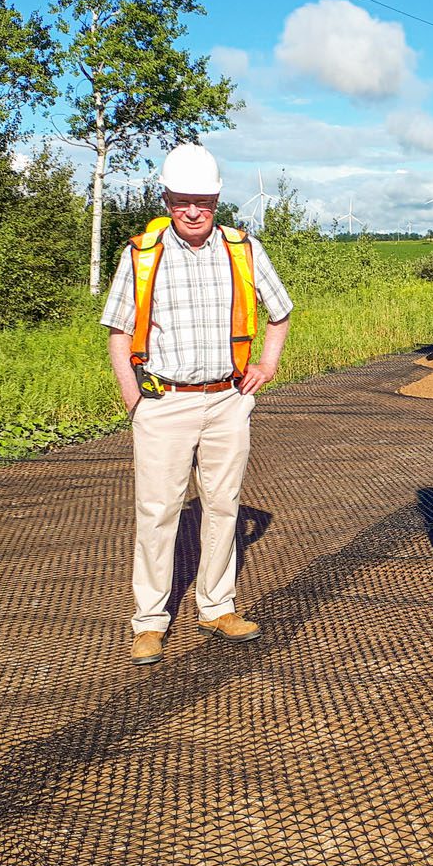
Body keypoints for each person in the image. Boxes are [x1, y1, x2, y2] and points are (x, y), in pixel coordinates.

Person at [101, 143, 293, 665]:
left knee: (223, 505)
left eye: (203, 202)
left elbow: (280, 313)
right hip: (162, 401)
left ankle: (216, 607)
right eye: (183, 200)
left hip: (227, 399)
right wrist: (132, 396)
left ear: (216, 201)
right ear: (166, 198)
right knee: (158, 511)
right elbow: (118, 331)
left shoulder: (243, 249)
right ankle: (149, 621)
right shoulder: (142, 254)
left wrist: (267, 366)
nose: (193, 211)